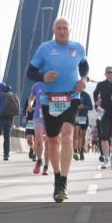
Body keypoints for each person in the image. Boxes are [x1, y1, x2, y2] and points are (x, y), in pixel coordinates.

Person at [26, 17, 89, 202]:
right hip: (49, 100)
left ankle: (63, 181)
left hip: (71, 97)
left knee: (68, 136)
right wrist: (43, 77)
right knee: (53, 141)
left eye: (65, 28)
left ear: (69, 30)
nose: (62, 31)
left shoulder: (77, 48)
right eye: (59, 28)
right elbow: (30, 73)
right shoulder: (44, 49)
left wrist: (84, 79)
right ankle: (56, 176)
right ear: (54, 30)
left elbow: (84, 65)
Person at [93, 66, 112, 170]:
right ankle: (106, 159)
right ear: (105, 74)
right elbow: (95, 93)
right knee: (104, 136)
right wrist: (96, 102)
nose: (109, 74)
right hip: (104, 113)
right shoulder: (101, 84)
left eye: (111, 73)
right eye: (108, 73)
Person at [0, 83, 18, 161]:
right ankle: (6, 155)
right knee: (7, 137)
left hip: (0, 118)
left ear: (0, 88)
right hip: (9, 119)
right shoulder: (11, 95)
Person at [29, 82, 49, 175]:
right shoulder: (36, 85)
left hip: (51, 116)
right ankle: (39, 160)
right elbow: (32, 97)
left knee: (49, 142)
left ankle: (46, 166)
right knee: (38, 140)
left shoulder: (55, 84)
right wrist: (30, 104)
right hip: (38, 116)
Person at [73, 89, 94, 161]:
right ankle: (75, 152)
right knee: (75, 134)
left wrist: (83, 106)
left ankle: (81, 151)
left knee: (82, 135)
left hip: (83, 116)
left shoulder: (86, 95)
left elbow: (91, 107)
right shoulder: (73, 93)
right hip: (74, 116)